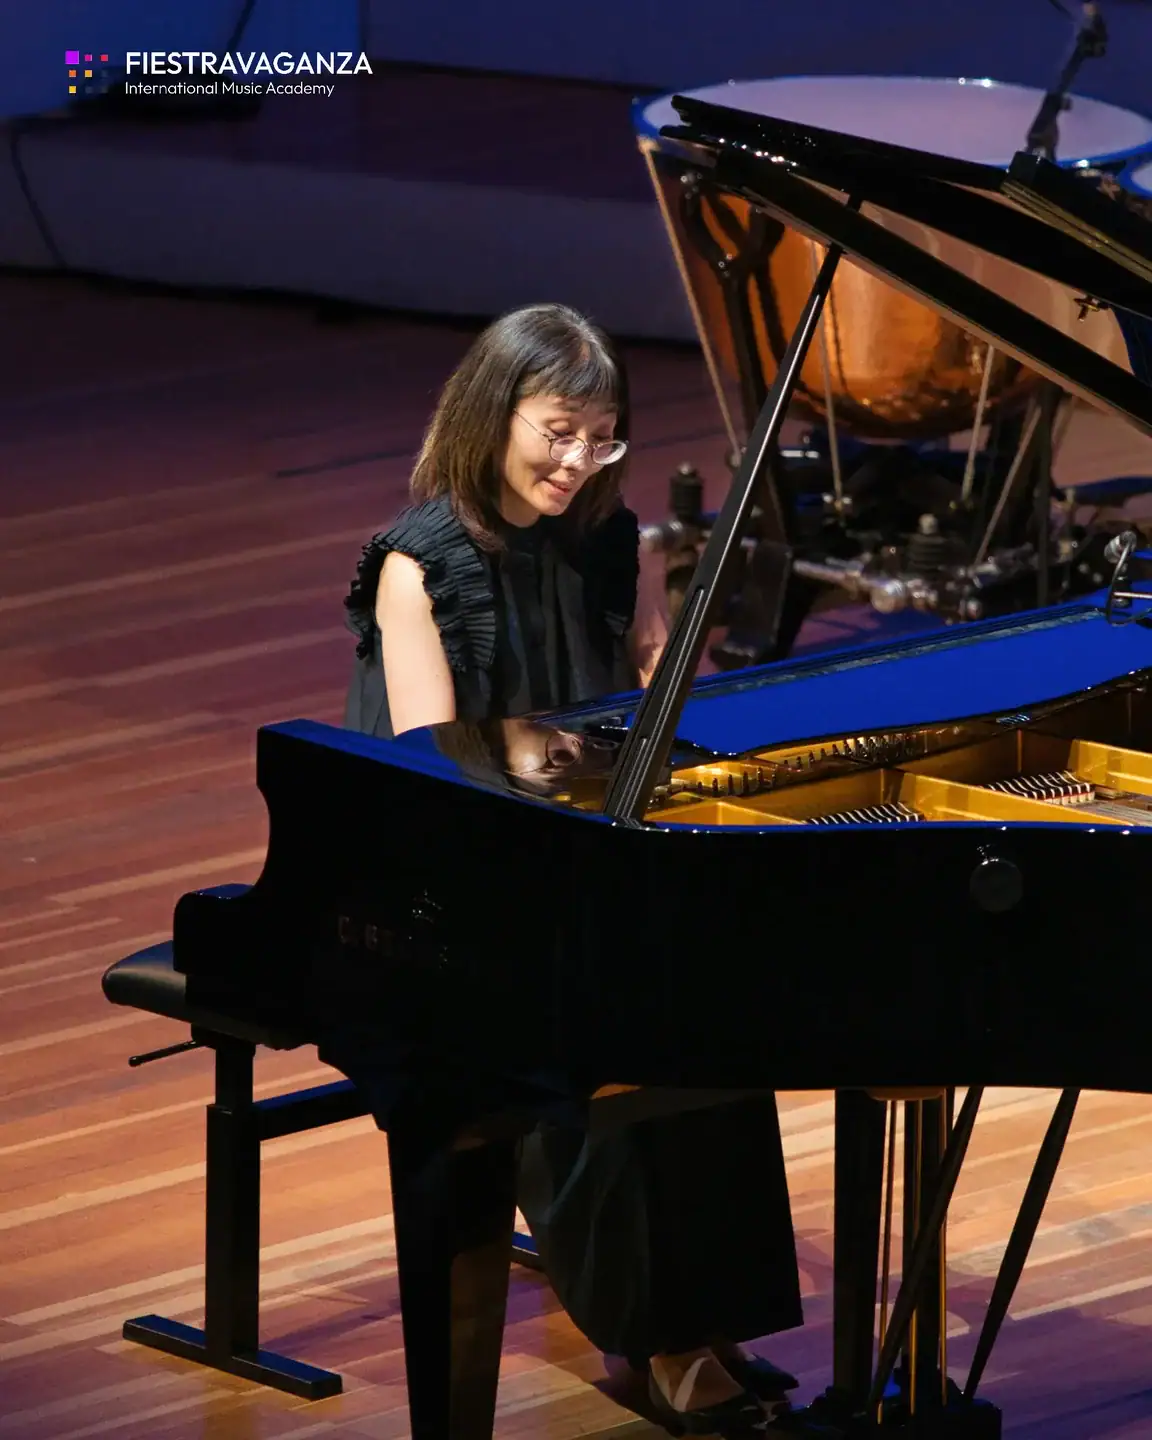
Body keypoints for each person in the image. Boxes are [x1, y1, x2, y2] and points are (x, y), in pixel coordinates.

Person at [337, 303, 826, 1437]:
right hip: (450, 879)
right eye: (558, 432)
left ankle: (707, 1318)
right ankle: (660, 1342)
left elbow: (654, 677)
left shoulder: (613, 537)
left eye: (601, 439)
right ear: (493, 412)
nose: (577, 461)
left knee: (719, 1005)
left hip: (578, 849)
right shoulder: (420, 566)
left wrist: (692, 688)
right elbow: (433, 770)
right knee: (607, 1031)